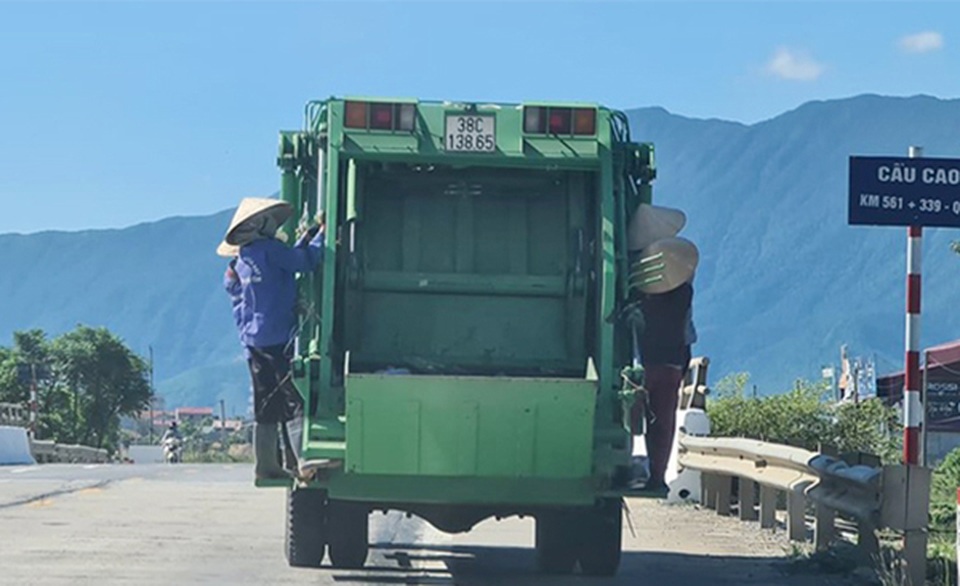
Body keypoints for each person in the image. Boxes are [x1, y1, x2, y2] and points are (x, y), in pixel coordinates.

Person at [217, 197, 325, 480]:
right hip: (277, 336)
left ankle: (265, 465)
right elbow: (305, 261)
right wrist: (322, 235)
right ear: (261, 225)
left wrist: (307, 237)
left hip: (253, 341)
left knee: (265, 402)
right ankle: (304, 459)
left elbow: (237, 293)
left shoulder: (243, 260)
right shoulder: (271, 250)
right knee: (292, 398)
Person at [628, 236, 699, 493]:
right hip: (671, 363)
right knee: (663, 421)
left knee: (630, 417)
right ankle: (657, 477)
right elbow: (687, 333)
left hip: (641, 363)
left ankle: (626, 465)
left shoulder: (636, 291)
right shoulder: (684, 292)